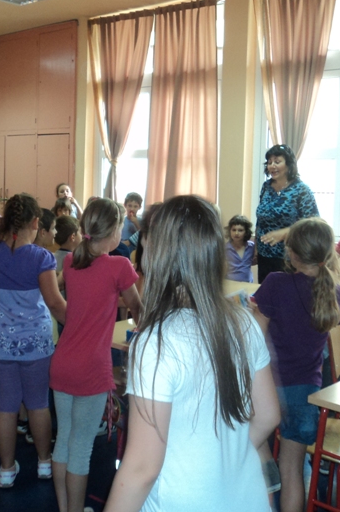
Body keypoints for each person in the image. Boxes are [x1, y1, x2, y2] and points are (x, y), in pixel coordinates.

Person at [104, 196, 279, 512]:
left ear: (159, 257)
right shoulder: (244, 322)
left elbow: (142, 468)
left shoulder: (157, 342)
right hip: (246, 497)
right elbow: (267, 416)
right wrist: (220, 461)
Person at [0, 193, 67, 488]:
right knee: (38, 404)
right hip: (35, 344)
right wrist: (78, 325)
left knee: (6, 407)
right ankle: (44, 463)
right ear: (35, 222)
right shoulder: (41, 257)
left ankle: (7, 469)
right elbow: (55, 303)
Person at [50, 198, 142, 512]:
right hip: (91, 367)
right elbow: (138, 309)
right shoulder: (119, 266)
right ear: (114, 232)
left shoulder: (70, 262)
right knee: (80, 449)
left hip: (62, 362)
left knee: (64, 440)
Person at [252, 217, 340, 512]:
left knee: (253, 447)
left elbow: (256, 339)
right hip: (307, 393)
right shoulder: (336, 291)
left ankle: (263, 490)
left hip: (269, 387)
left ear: (290, 252)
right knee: (293, 468)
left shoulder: (275, 283)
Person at [254, 144, 319, 283]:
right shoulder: (266, 187)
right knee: (266, 292)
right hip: (264, 256)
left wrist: (285, 232)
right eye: (269, 162)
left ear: (289, 165)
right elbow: (260, 219)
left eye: (277, 162)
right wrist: (255, 246)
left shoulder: (301, 190)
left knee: (286, 293)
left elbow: (313, 224)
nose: (272, 166)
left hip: (290, 257)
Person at [226, 214, 255, 282]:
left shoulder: (251, 247)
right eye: (234, 230)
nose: (236, 233)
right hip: (231, 283)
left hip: (247, 284)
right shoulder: (225, 248)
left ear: (246, 232)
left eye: (240, 230)